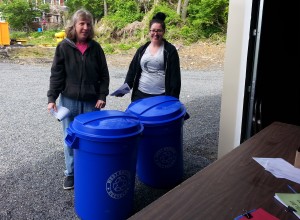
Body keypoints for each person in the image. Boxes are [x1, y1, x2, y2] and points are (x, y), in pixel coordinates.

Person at [47, 9, 110, 190]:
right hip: (69, 102)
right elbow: (56, 75)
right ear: (74, 26)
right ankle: (71, 173)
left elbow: (104, 76)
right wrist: (52, 97)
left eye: (88, 24)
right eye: (81, 23)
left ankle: (90, 172)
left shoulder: (96, 48)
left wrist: (102, 95)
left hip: (92, 103)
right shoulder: (64, 47)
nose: (85, 27)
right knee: (70, 139)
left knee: (92, 139)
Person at [122, 12, 181, 102]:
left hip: (161, 96)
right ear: (149, 31)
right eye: (153, 30)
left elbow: (175, 78)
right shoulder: (142, 50)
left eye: (159, 30)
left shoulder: (170, 51)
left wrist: (173, 100)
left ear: (164, 31)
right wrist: (124, 89)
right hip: (140, 94)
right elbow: (132, 71)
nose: (156, 33)